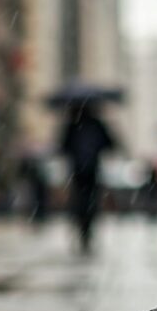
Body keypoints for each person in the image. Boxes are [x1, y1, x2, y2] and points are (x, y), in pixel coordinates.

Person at [59, 103, 115, 253]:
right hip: (92, 170)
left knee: (79, 201)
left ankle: (82, 229)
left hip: (77, 171)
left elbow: (62, 147)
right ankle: (87, 229)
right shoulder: (97, 125)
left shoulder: (71, 125)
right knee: (91, 201)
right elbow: (110, 144)